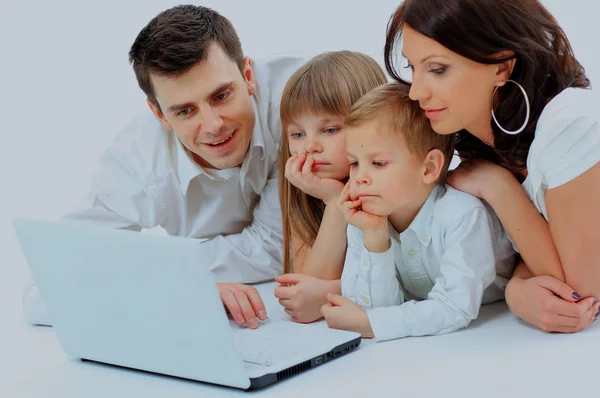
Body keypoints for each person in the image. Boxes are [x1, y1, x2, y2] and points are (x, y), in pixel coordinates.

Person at [21, 5, 306, 329]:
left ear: (249, 76)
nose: (213, 125)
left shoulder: (304, 97)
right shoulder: (138, 162)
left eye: (221, 95)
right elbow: (42, 292)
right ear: (159, 115)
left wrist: (166, 273)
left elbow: (278, 245)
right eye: (185, 111)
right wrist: (180, 288)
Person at [384, 0, 600, 333]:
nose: (416, 92)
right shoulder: (481, 140)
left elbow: (582, 293)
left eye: (437, 69)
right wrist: (519, 282)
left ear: (501, 67)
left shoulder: (567, 123)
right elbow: (546, 248)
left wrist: (498, 188)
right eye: (412, 67)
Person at [320, 82, 517, 341]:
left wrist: (372, 323)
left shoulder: (461, 215)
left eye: (378, 163)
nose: (359, 178)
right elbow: (374, 310)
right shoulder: (366, 218)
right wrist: (376, 239)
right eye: (354, 163)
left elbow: (455, 307)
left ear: (428, 168)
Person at [272, 51, 388, 323]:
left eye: (330, 130)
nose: (310, 146)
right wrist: (334, 202)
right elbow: (306, 294)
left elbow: (410, 283)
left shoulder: (392, 192)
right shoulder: (308, 193)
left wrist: (331, 291)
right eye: (298, 134)